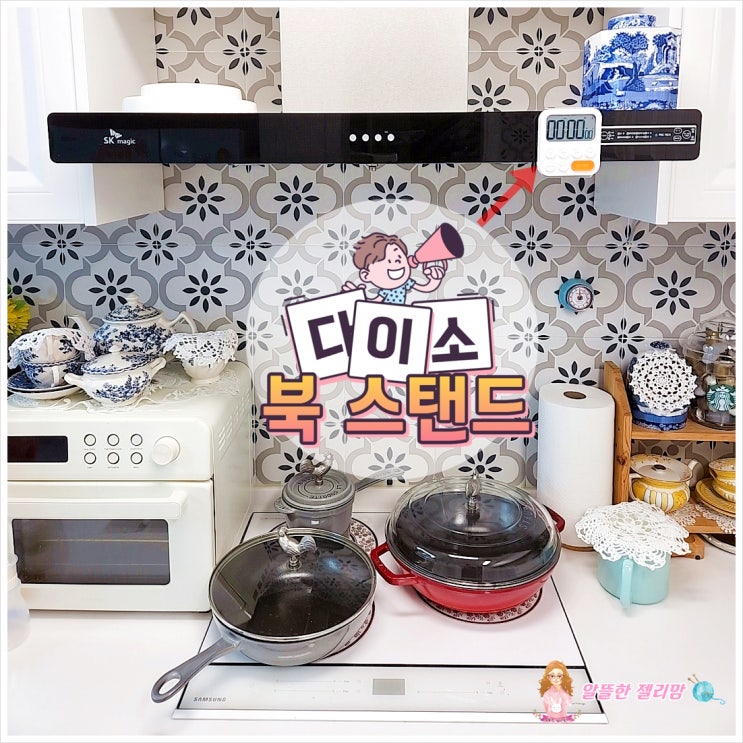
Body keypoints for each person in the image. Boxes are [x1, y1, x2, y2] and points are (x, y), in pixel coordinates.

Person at [342, 232, 446, 304]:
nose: (397, 263)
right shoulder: (385, 291)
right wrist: (357, 296)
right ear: (366, 275)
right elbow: (374, 301)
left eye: (399, 258)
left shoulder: (406, 283)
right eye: (388, 261)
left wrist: (435, 279)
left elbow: (427, 288)